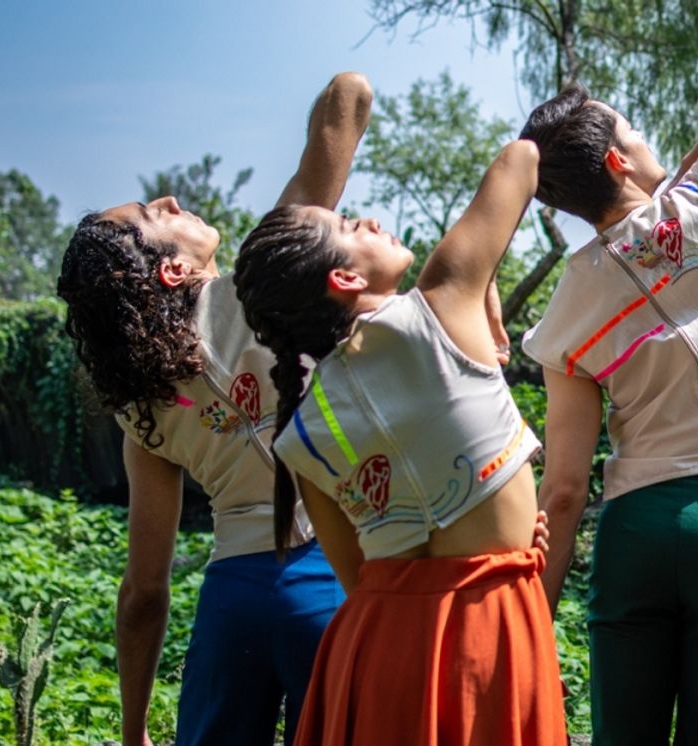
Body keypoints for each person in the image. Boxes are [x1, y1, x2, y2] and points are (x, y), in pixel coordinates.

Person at [56, 72, 372, 746]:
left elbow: (143, 593)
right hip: (336, 576)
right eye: (156, 215)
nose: (170, 198)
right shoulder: (261, 287)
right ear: (171, 270)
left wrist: (135, 727)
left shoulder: (139, 414)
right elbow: (350, 98)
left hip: (233, 603)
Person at [517, 39, 698, 745]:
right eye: (635, 133)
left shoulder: (567, 310)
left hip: (633, 532)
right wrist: (693, 166)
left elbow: (562, 493)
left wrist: (528, 629)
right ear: (619, 161)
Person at [233, 139, 565, 745]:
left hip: (376, 652)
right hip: (486, 631)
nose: (368, 218)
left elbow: (365, 577)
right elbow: (521, 158)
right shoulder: (443, 301)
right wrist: (484, 288)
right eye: (346, 223)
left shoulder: (300, 432)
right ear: (344, 277)